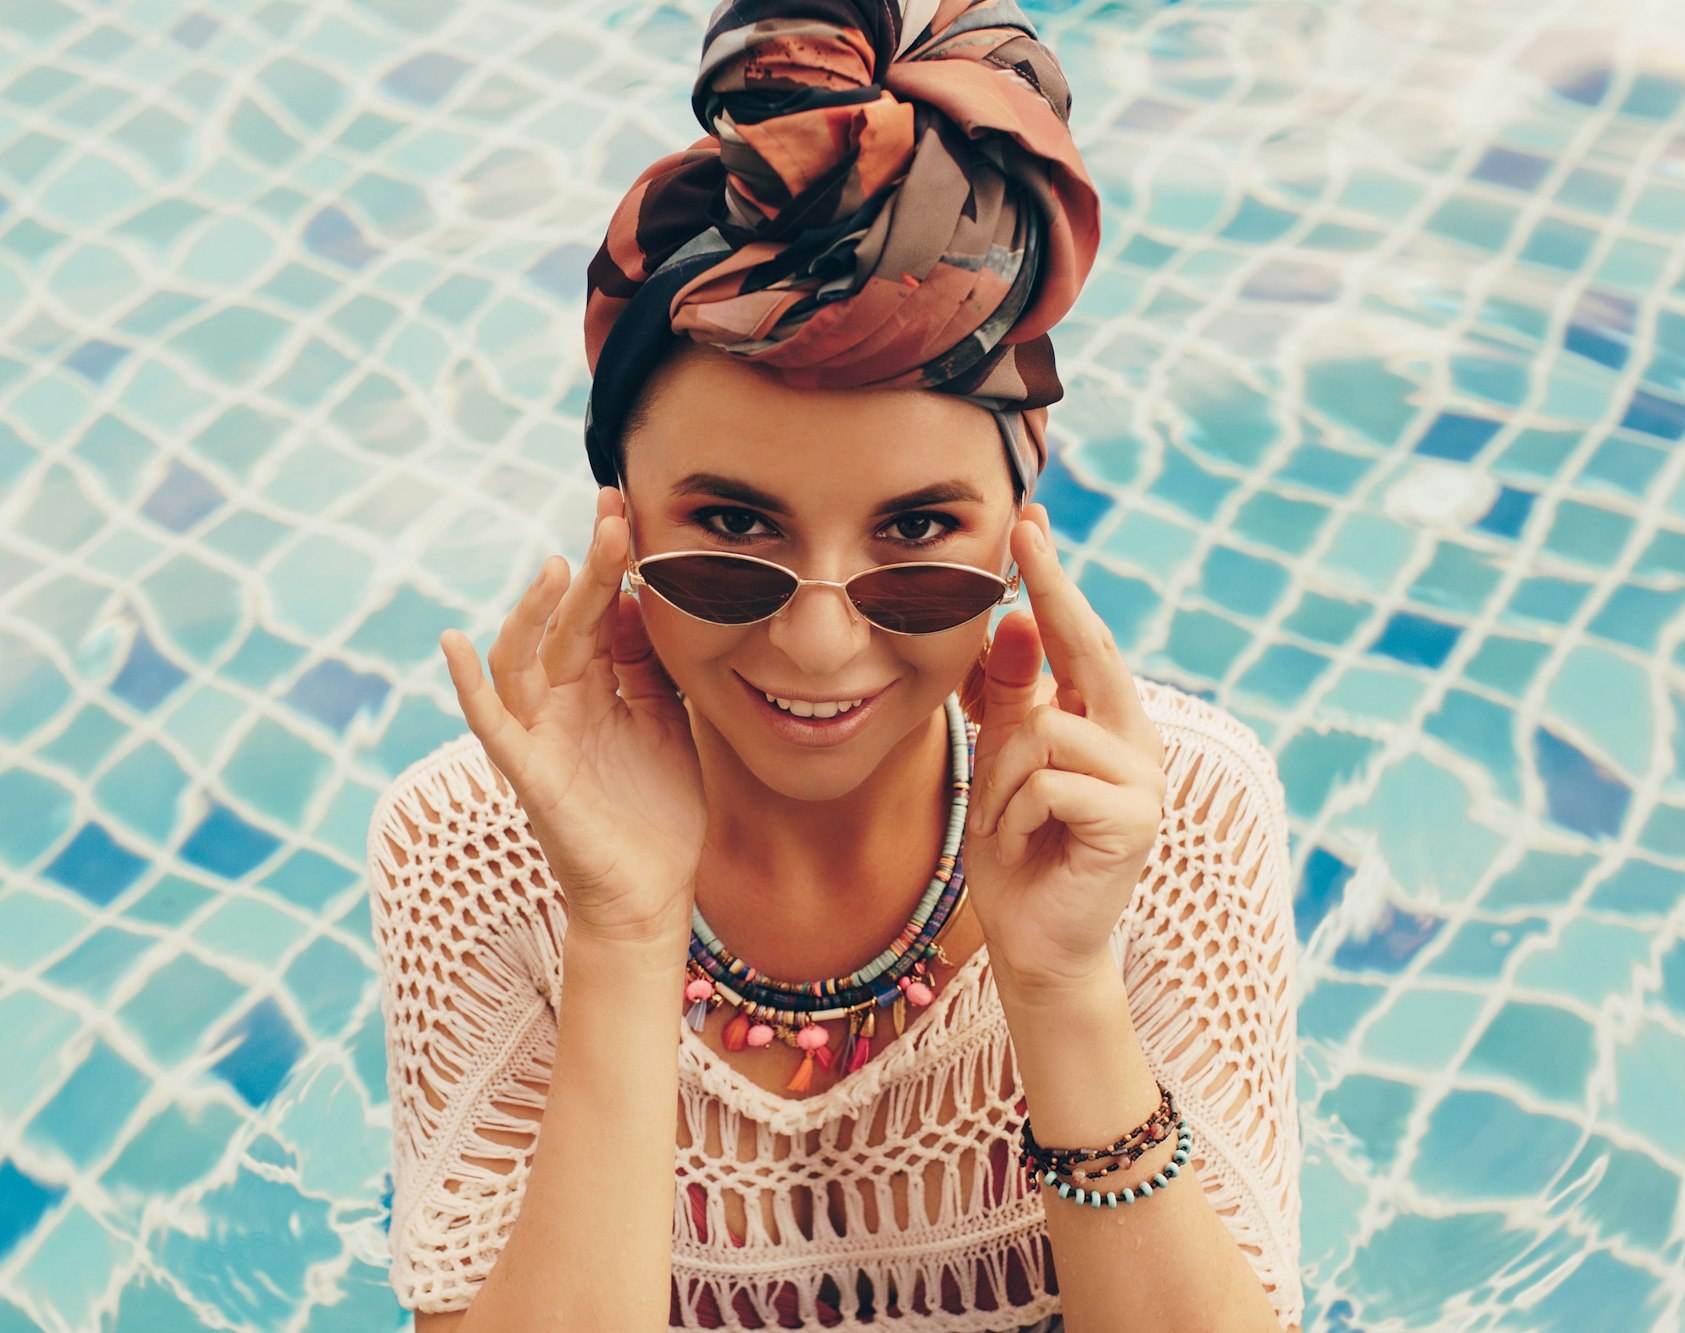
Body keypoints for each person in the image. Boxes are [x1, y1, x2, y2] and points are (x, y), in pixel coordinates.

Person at [366, 2, 1304, 1328]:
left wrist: (1062, 985)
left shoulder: (1172, 817)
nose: (817, 639)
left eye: (918, 533)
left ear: (1017, 527)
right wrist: (625, 926)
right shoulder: (472, 848)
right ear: (622, 512)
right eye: (732, 529)